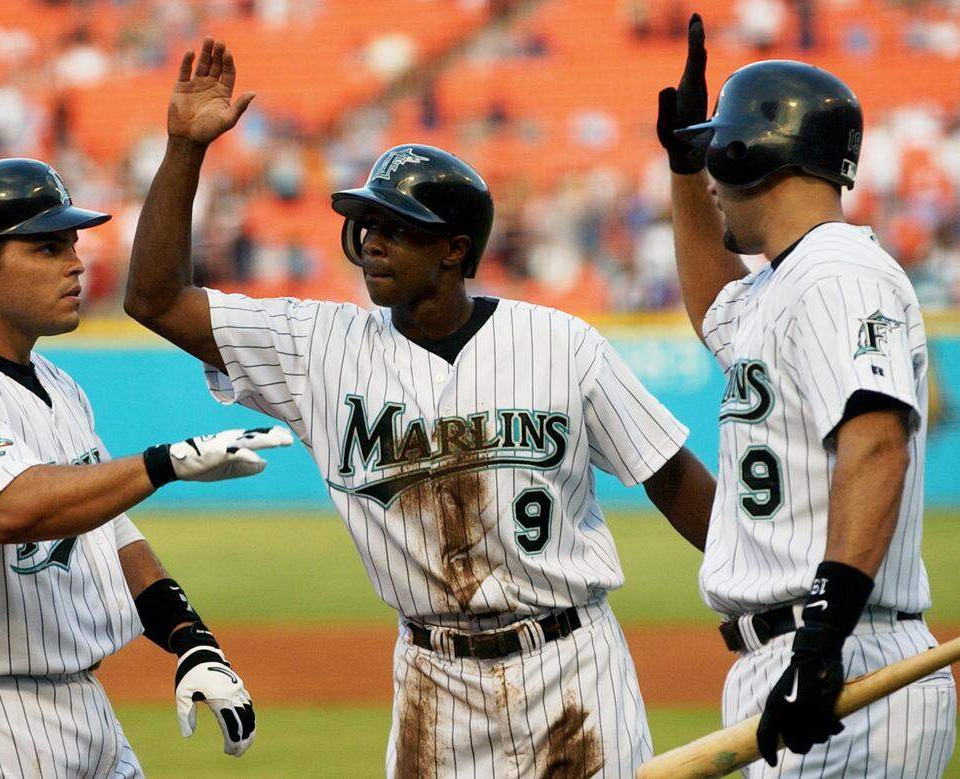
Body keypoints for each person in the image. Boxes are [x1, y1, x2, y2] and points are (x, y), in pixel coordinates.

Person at [124, 38, 718, 777]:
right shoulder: (317, 345)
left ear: (452, 248)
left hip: (573, 668)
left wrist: (766, 594)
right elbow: (152, 298)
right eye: (367, 223)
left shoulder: (563, 344)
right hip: (433, 682)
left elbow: (671, 477)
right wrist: (184, 150)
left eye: (394, 226)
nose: (370, 240)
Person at [0, 157, 292, 777]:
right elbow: (11, 509)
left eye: (72, 244)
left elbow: (109, 531)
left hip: (81, 710)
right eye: (47, 248)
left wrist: (189, 637)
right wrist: (165, 464)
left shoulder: (57, 384)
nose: (76, 263)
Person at [656, 14, 957, 776]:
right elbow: (711, 309)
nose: (715, 176)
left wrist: (824, 638)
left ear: (755, 149)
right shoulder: (784, 283)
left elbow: (877, 443)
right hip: (808, 652)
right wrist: (683, 171)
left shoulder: (837, 273)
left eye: (719, 149)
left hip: (844, 655)